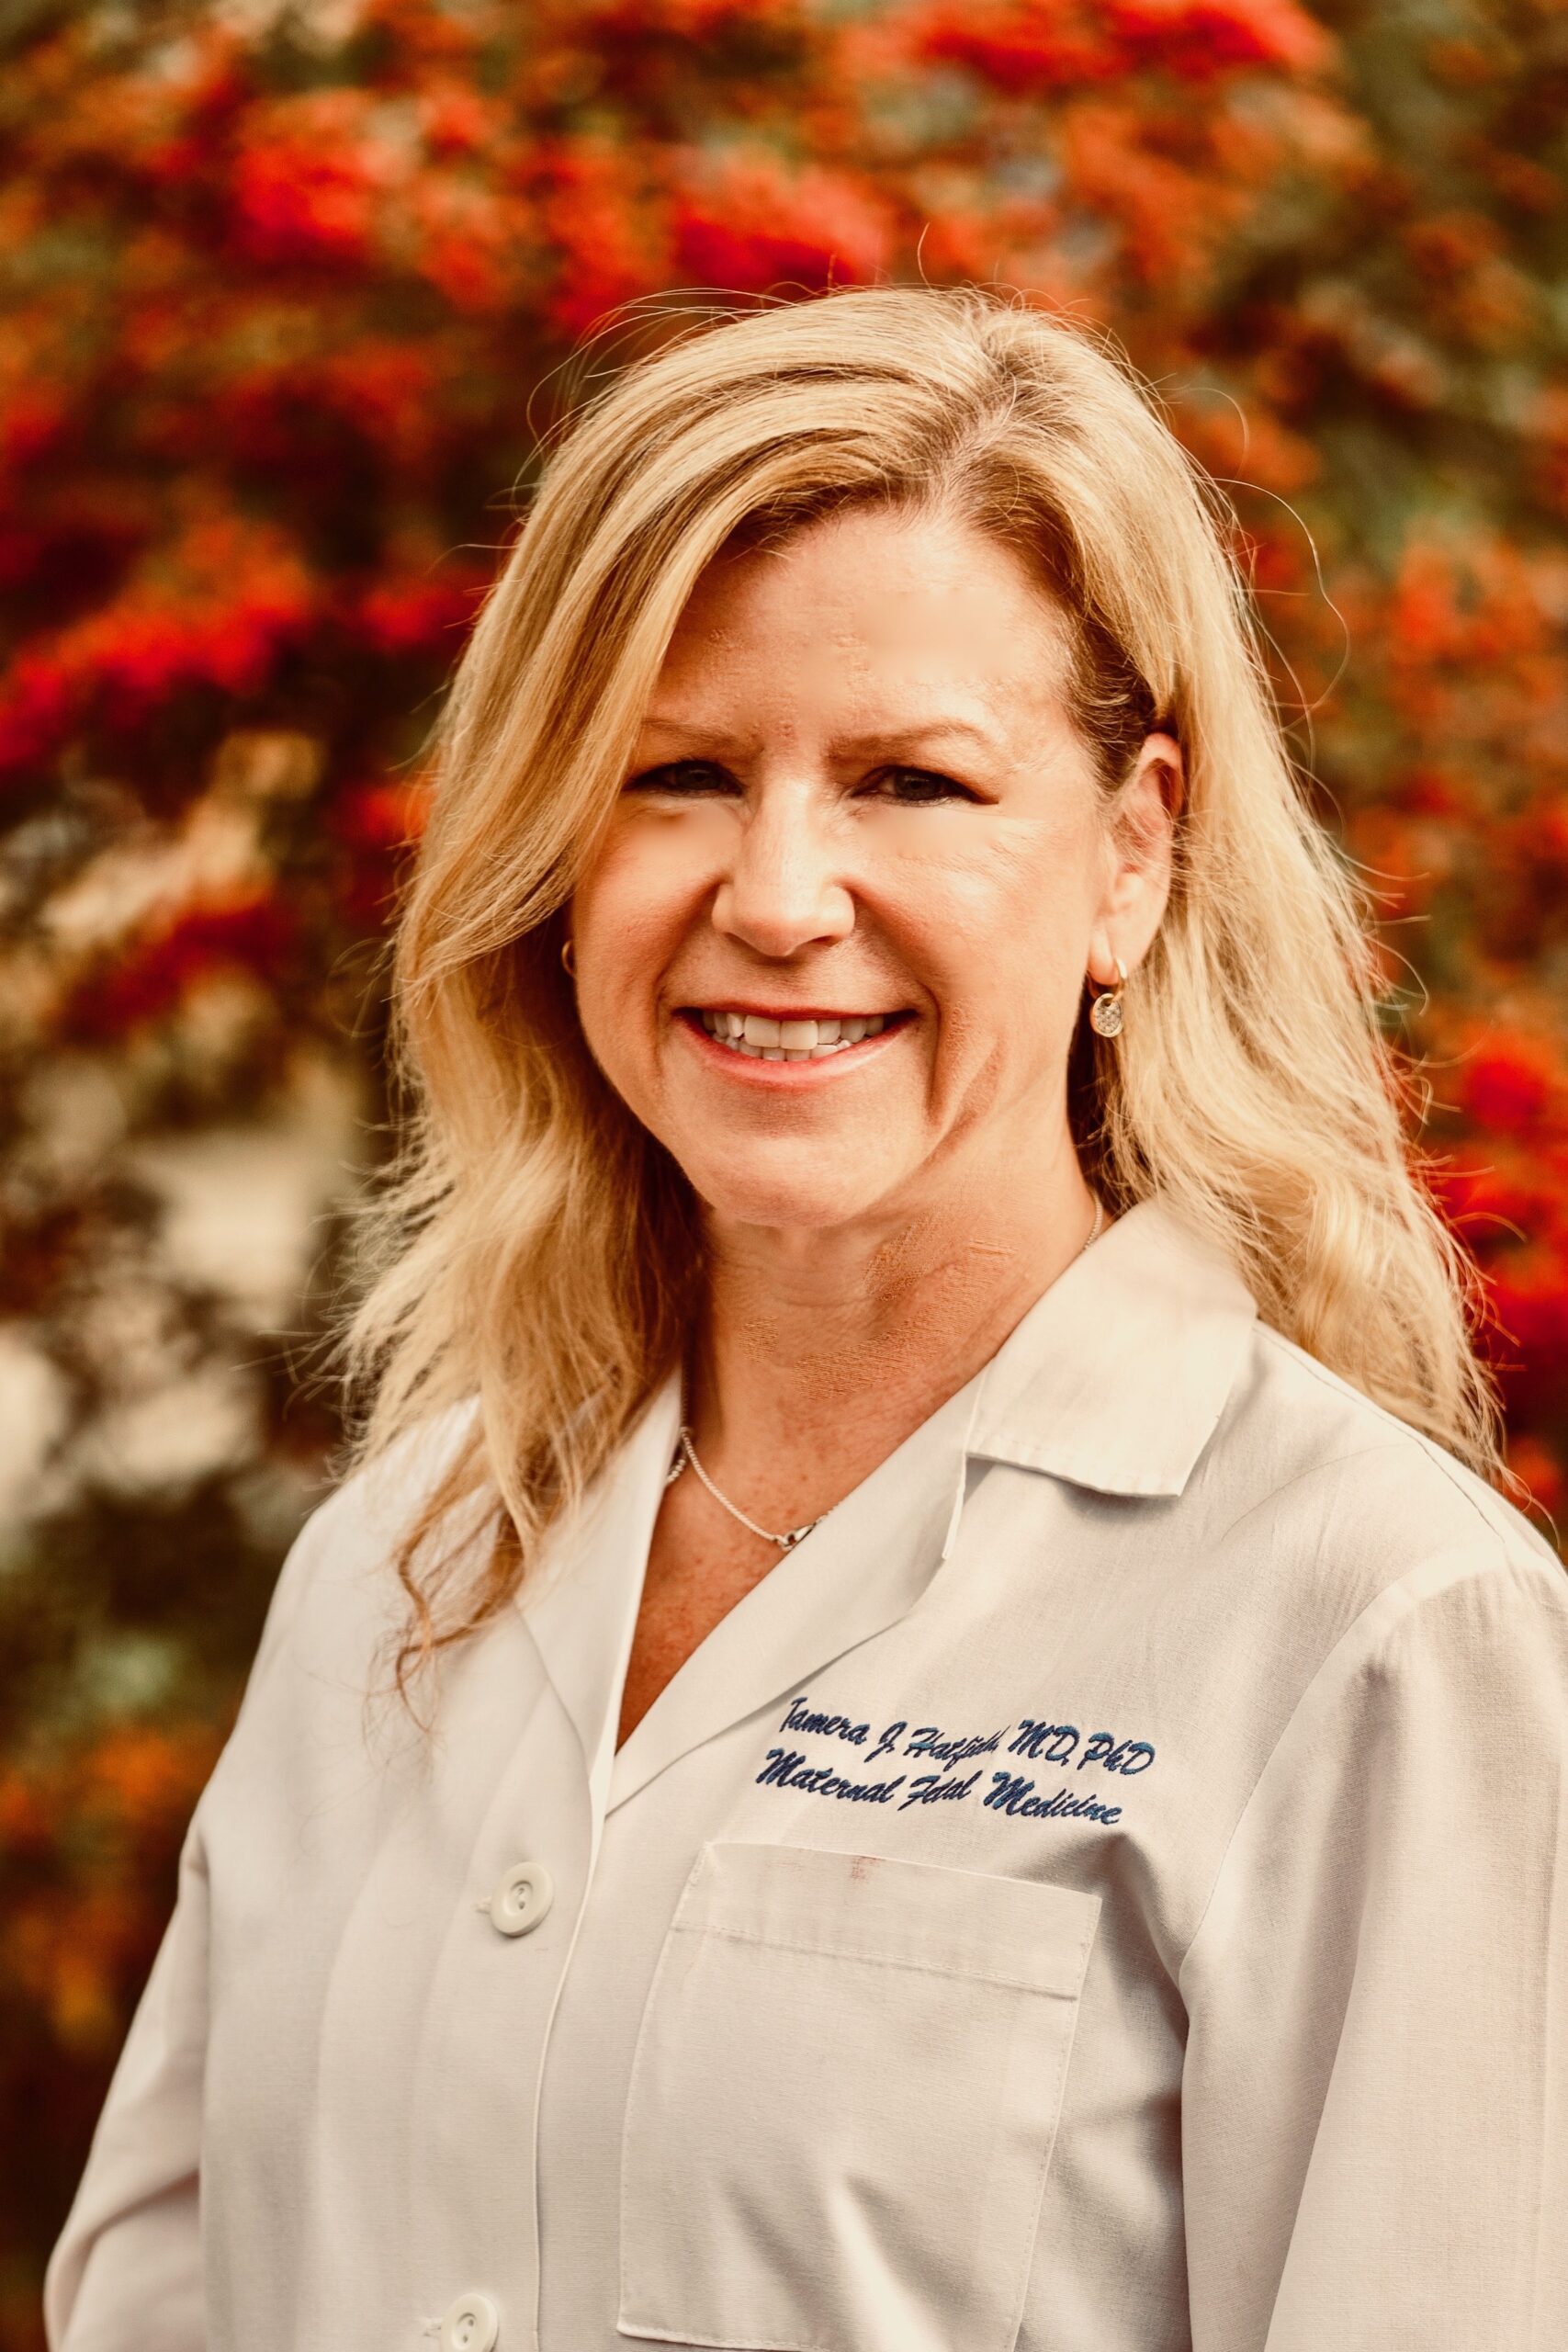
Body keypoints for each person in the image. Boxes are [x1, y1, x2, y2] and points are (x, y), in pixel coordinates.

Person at [44, 286, 1568, 2352]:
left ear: (1133, 847)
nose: (773, 892)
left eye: (909, 783)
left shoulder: (1368, 1625)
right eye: (675, 772)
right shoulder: (400, 1564)